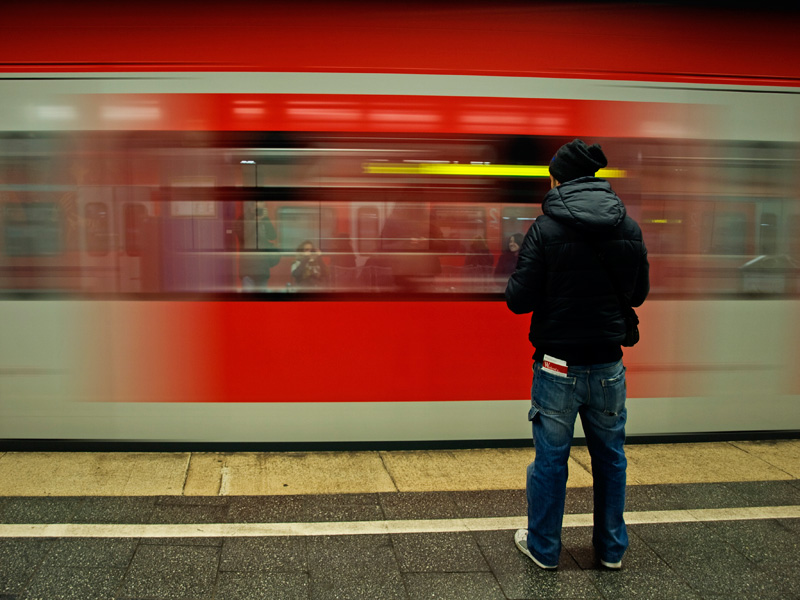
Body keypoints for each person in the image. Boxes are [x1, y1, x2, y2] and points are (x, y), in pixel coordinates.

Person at [505, 139, 649, 571]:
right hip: (607, 365)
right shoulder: (628, 228)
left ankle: (545, 548)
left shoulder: (544, 229)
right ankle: (611, 550)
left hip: (556, 364)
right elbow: (638, 295)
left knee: (551, 458)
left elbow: (518, 300)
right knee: (611, 457)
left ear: (558, 178)